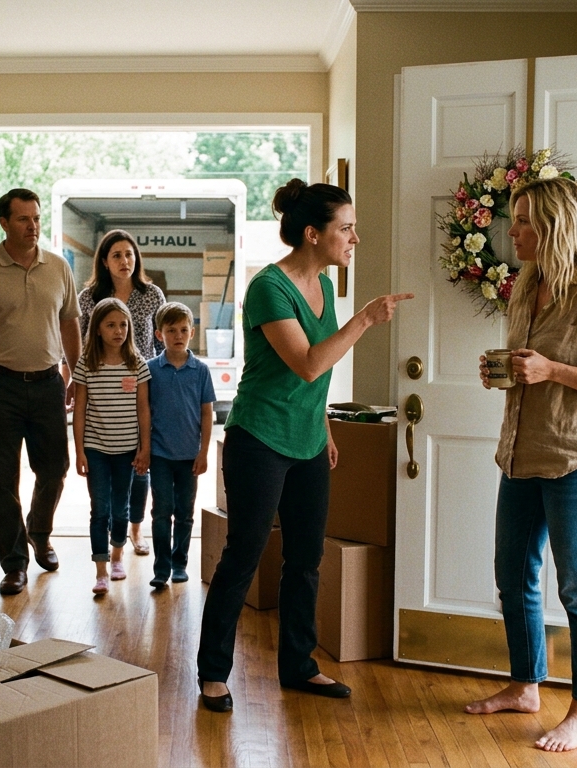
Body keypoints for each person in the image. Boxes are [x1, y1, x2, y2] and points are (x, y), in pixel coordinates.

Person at [195, 179, 412, 712]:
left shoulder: (326, 289)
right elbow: (309, 361)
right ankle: (212, 673)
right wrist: (366, 318)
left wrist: (327, 429)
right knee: (244, 555)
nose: (354, 237)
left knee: (306, 559)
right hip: (259, 437)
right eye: (346, 228)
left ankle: (299, 666)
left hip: (308, 440)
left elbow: (318, 374)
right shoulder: (270, 287)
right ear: (313, 234)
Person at [465, 176, 577, 753]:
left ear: (555, 225)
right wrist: (506, 371)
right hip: (520, 454)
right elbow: (530, 364)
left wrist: (552, 372)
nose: (510, 231)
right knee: (512, 578)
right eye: (512, 220)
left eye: (521, 221)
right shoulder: (527, 286)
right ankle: (524, 686)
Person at [0, 188, 82, 596]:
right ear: (4, 223)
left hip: (47, 384)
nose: (33, 226)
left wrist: (74, 372)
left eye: (37, 218)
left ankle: (38, 532)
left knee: (55, 469)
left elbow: (69, 325)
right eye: (24, 219)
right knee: (1, 480)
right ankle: (14, 564)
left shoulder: (58, 268)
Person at [79, 230, 166, 557]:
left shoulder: (152, 294)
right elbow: (79, 342)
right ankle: (111, 535)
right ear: (104, 261)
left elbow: (160, 345)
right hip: (102, 392)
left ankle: (135, 529)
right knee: (107, 471)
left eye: (129, 254)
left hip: (142, 388)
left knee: (141, 465)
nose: (124, 261)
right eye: (116, 255)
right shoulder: (89, 297)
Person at [72, 298, 152, 595]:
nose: (118, 330)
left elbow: (144, 409)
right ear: (97, 330)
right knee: (100, 510)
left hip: (128, 451)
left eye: (123, 324)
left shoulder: (137, 364)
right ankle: (101, 569)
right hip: (96, 448)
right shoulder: (87, 364)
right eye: (111, 325)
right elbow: (80, 409)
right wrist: (79, 450)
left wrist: (144, 448)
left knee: (121, 510)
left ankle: (118, 556)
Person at [144, 302, 216, 589]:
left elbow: (207, 413)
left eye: (183, 330)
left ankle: (179, 563)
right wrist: (145, 449)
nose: (178, 335)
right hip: (160, 455)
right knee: (161, 511)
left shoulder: (200, 371)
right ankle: (161, 567)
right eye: (171, 330)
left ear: (192, 332)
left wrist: (204, 452)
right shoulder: (150, 370)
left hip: (190, 457)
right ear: (159, 335)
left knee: (185, 512)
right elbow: (144, 412)